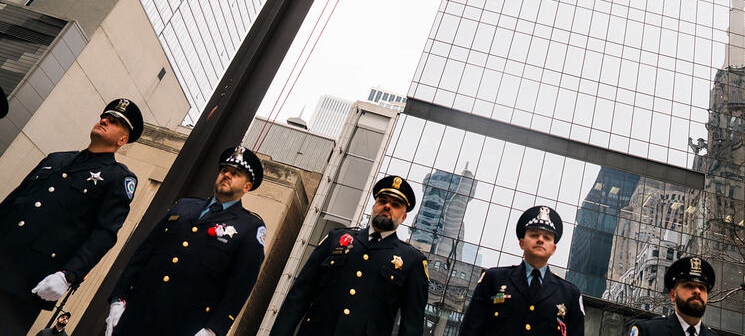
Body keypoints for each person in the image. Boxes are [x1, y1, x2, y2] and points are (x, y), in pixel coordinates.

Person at [0, 98, 142, 334]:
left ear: (123, 140)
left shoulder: (118, 179)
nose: (104, 120)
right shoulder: (56, 159)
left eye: (115, 121)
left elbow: (104, 234)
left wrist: (69, 275)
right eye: (105, 116)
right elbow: (13, 202)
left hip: (26, 280)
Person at [105, 145, 268, 336]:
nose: (226, 175)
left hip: (184, 325)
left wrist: (213, 329)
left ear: (247, 187)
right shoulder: (184, 207)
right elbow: (143, 254)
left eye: (236, 173)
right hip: (137, 313)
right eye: (224, 170)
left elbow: (240, 286)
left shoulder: (249, 228)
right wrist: (119, 297)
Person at [271, 175, 429, 336]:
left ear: (403, 217)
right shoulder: (336, 239)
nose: (387, 206)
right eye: (382, 201)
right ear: (374, 206)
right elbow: (299, 295)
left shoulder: (412, 261)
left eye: (395, 205)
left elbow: (412, 326)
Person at [459, 205, 585, 335]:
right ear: (522, 243)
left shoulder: (570, 294)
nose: (540, 240)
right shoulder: (493, 279)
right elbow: (470, 329)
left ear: (553, 249)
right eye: (534, 235)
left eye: (547, 238)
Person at [630, 256, 720, 336]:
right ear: (673, 295)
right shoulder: (649, 331)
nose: (697, 291)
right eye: (689, 286)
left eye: (701, 288)